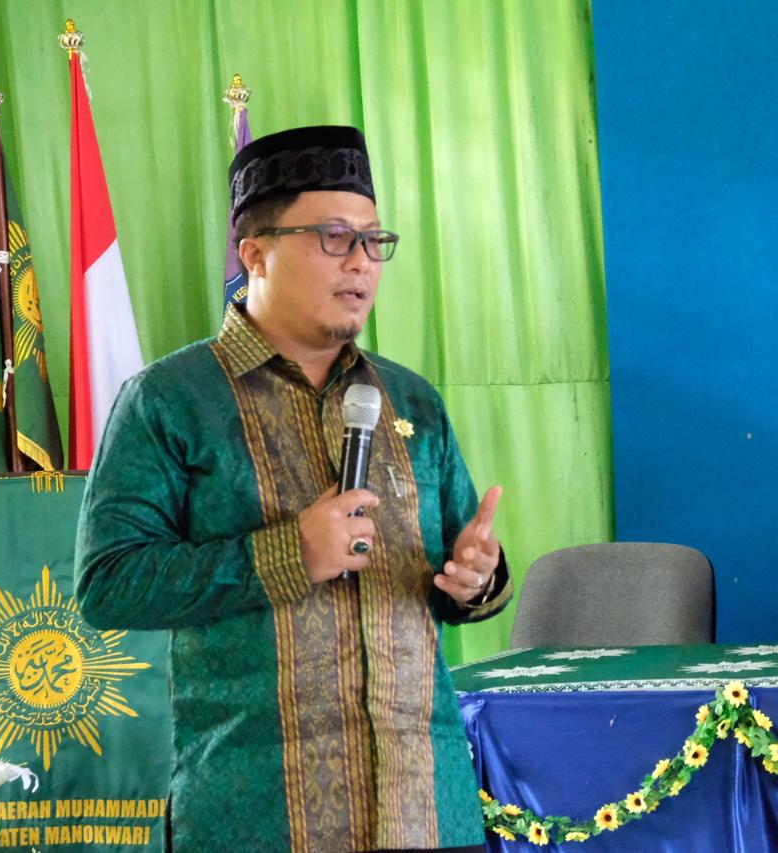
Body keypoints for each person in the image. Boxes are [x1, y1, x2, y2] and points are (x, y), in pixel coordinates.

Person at [74, 126, 511, 853]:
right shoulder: (170, 401)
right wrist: (287, 554)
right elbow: (108, 582)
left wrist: (478, 579)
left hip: (426, 813)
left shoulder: (410, 399)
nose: (363, 263)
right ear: (255, 253)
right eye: (335, 237)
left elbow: (460, 573)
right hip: (256, 817)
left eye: (375, 241)